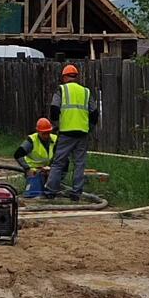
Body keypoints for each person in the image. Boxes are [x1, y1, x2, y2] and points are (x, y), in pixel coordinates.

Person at [45, 64, 99, 200]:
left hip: (66, 132)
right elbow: (94, 113)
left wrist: (56, 124)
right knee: (79, 163)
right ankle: (76, 193)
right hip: (82, 133)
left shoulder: (61, 89)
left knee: (58, 163)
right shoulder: (86, 91)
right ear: (76, 77)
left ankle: (51, 191)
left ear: (64, 77)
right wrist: (89, 128)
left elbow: (54, 109)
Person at [14, 118, 58, 198]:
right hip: (34, 170)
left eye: (48, 133)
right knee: (34, 194)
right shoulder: (31, 140)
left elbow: (60, 156)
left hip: (49, 170)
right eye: (44, 133)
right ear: (38, 132)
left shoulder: (55, 139)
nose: (46, 136)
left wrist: (52, 168)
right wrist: (27, 169)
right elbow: (18, 155)